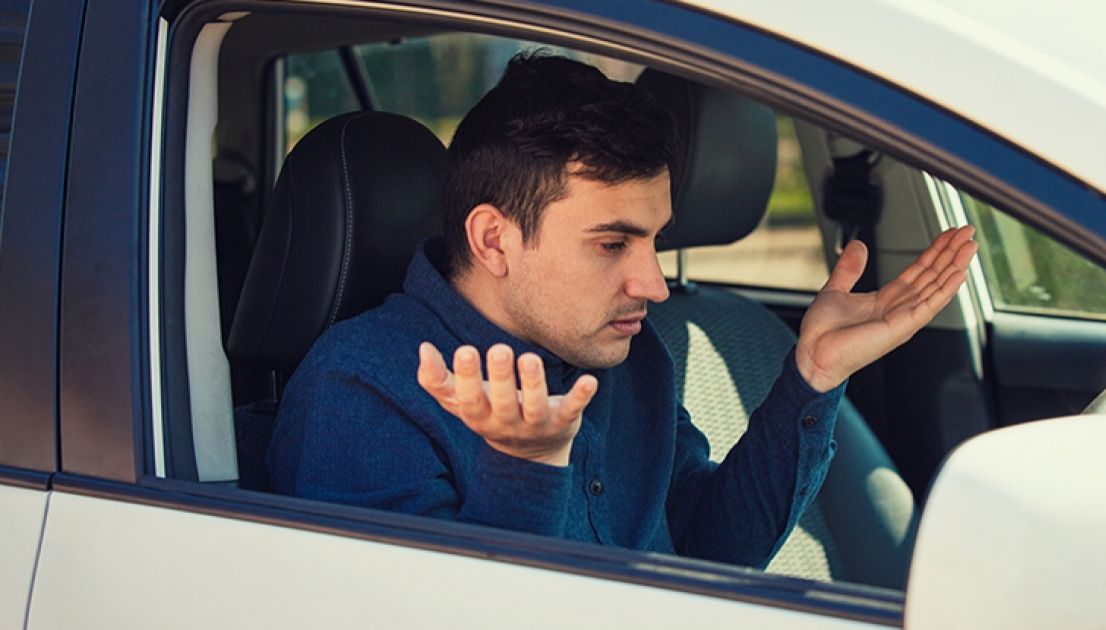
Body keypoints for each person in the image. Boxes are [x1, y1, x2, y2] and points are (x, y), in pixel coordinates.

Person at [267, 53, 976, 568]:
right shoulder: (360, 390)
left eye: (655, 241)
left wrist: (812, 378)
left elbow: (711, 555)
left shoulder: (627, 358)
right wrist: (527, 469)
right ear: (494, 239)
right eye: (613, 243)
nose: (654, 284)